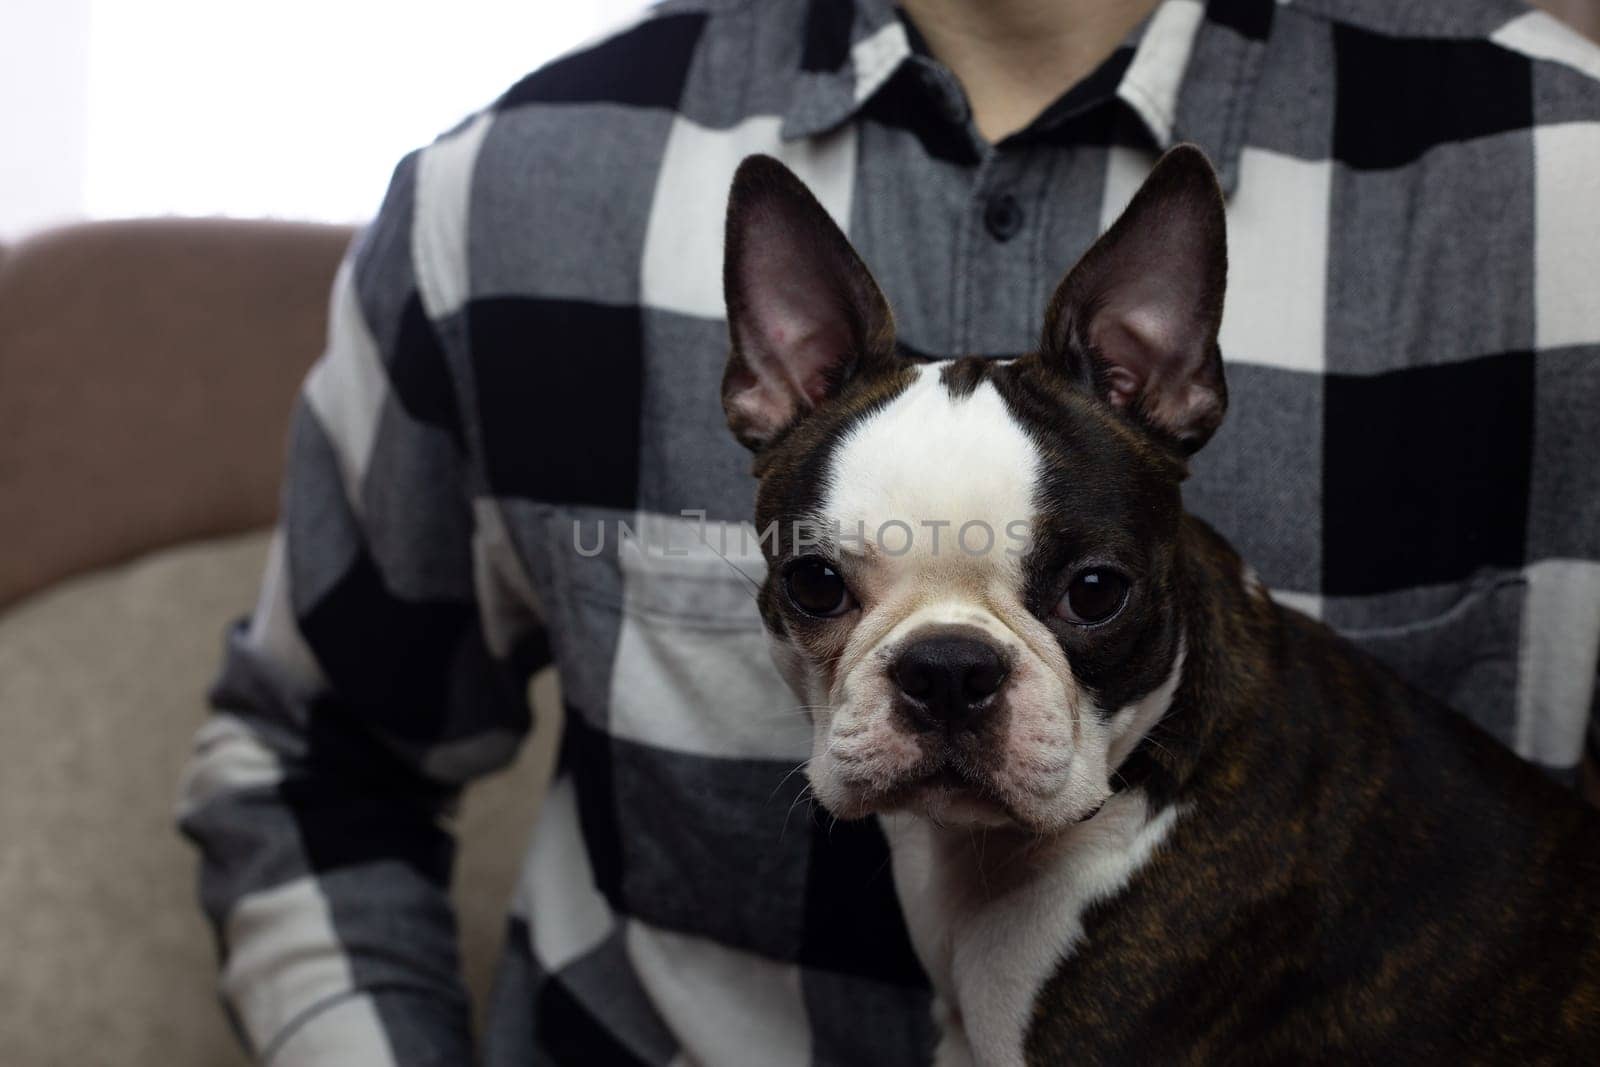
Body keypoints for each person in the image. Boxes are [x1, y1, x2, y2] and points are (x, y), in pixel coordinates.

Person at [176, 0, 1600, 1061]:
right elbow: (307, 770)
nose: (944, 669)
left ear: (1175, 374)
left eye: (1088, 592)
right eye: (827, 589)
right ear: (766, 382)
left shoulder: (1570, 180)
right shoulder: (504, 195)